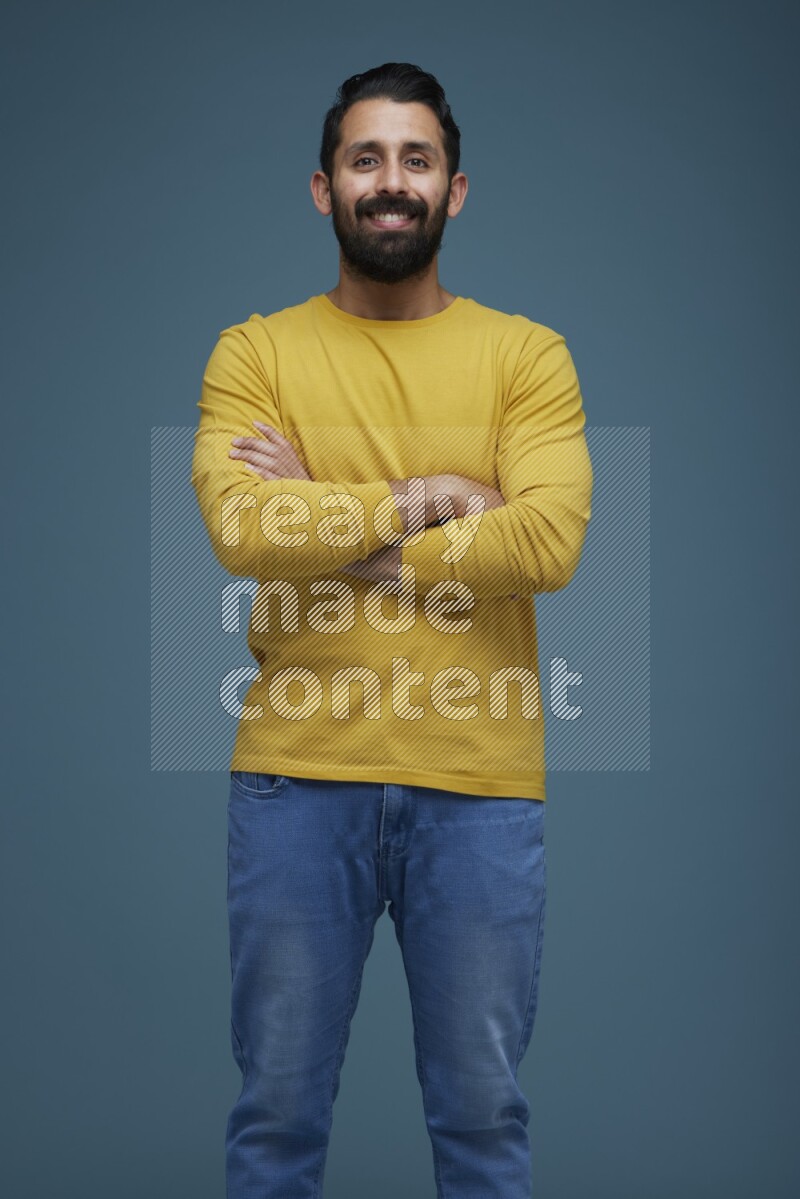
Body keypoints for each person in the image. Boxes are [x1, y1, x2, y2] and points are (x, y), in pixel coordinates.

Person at [191, 61, 593, 1199]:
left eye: (415, 159)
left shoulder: (526, 356)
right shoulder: (254, 353)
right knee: (274, 1115)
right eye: (365, 159)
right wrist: (438, 494)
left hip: (477, 786)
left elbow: (546, 544)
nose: (390, 182)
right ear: (322, 187)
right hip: (292, 780)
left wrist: (336, 524)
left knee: (479, 1117)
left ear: (454, 189)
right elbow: (240, 525)